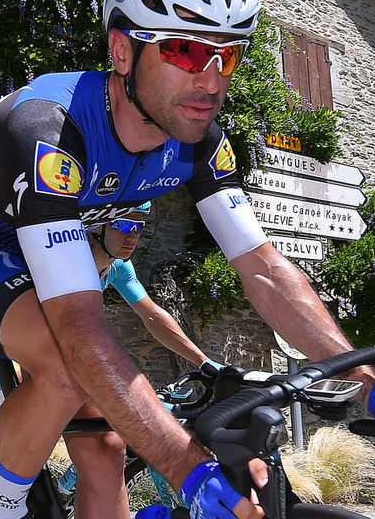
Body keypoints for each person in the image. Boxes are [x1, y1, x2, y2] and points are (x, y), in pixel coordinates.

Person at [0, 0, 375, 519]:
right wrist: (185, 467)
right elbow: (78, 326)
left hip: (42, 258)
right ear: (122, 51)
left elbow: (264, 271)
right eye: (182, 50)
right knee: (63, 369)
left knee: (104, 450)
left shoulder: (198, 137)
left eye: (225, 54)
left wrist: (365, 379)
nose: (209, 80)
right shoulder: (48, 129)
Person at [63, 201, 222, 516]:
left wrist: (204, 361)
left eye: (138, 227)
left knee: (100, 445)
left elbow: (152, 316)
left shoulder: (118, 266)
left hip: (68, 351)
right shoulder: (69, 257)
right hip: (17, 344)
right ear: (98, 224)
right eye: (123, 225)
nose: (131, 236)